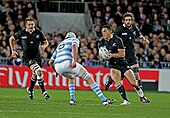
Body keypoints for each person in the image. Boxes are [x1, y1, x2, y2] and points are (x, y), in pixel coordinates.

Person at [49, 32, 112, 106]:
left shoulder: (60, 45)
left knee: (71, 77)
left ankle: (72, 99)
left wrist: (55, 71)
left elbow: (50, 62)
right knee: (88, 78)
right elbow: (74, 47)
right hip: (67, 63)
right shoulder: (74, 39)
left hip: (57, 67)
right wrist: (75, 61)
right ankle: (104, 100)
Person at [104, 12, 150, 103]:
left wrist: (144, 40)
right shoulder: (119, 30)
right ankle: (110, 80)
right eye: (126, 20)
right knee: (120, 77)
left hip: (131, 56)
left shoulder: (135, 28)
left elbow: (140, 36)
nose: (128, 21)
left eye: (129, 20)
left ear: (132, 21)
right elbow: (113, 39)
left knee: (136, 74)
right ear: (123, 21)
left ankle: (142, 97)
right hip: (122, 57)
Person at [9, 17, 50, 100]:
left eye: (32, 24)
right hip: (27, 57)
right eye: (29, 24)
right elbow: (11, 38)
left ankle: (30, 89)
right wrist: (13, 50)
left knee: (35, 74)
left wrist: (44, 46)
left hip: (37, 57)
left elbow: (46, 42)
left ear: (34, 24)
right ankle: (44, 92)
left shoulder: (38, 33)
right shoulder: (22, 33)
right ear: (26, 25)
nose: (31, 26)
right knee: (38, 71)